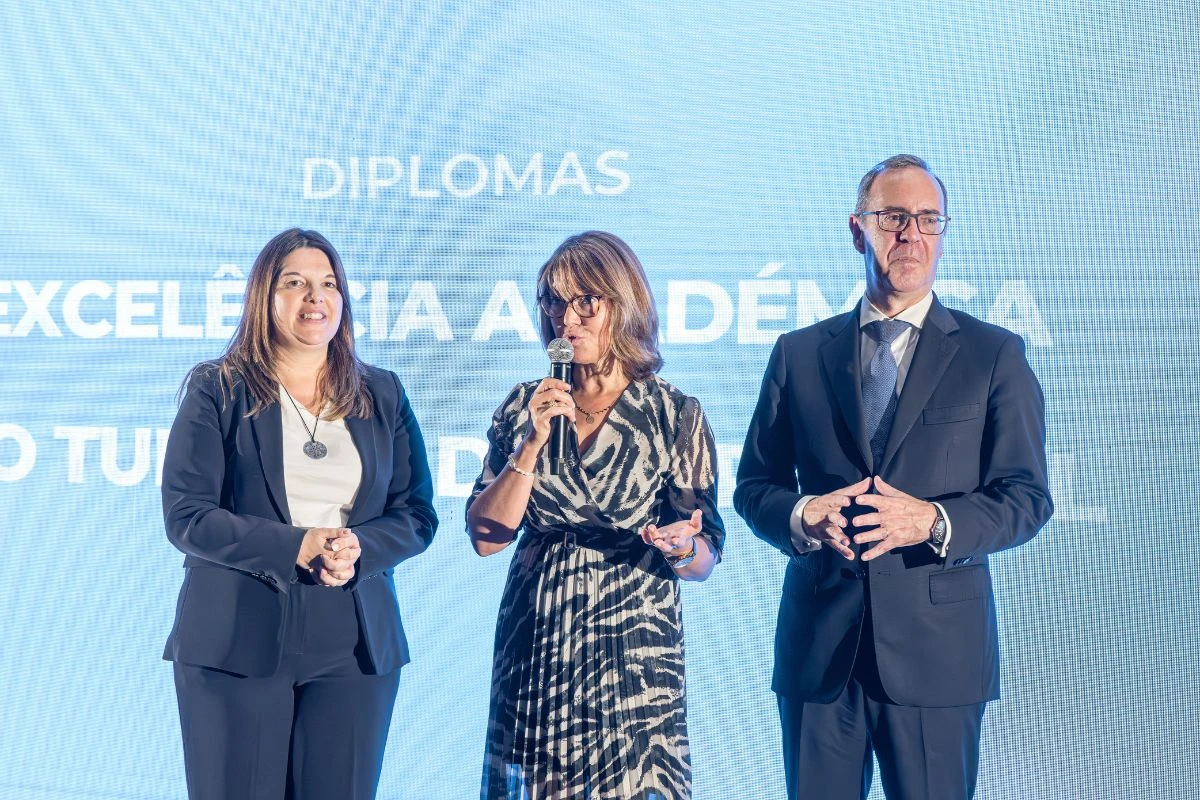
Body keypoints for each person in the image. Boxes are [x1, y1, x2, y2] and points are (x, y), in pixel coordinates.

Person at [734, 155, 1053, 800]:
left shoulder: (994, 355)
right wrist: (803, 517)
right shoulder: (798, 353)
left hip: (939, 660)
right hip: (820, 653)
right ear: (859, 229)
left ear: (943, 232)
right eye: (892, 218)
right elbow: (754, 486)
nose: (910, 235)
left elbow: (1026, 496)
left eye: (927, 220)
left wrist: (933, 521)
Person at [161, 228, 438, 800]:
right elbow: (187, 516)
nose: (316, 297)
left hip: (356, 641)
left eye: (328, 283)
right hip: (237, 635)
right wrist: (297, 546)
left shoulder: (381, 392)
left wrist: (361, 548)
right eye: (296, 283)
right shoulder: (219, 388)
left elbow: (415, 514)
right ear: (266, 297)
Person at [466, 231, 725, 800]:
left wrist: (683, 547)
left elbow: (706, 553)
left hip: (634, 650)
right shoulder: (523, 406)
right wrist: (530, 447)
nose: (567, 318)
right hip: (538, 642)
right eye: (554, 302)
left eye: (587, 301)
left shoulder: (673, 413)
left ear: (624, 303)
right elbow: (486, 537)